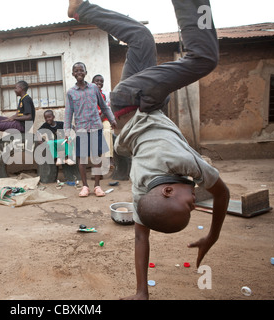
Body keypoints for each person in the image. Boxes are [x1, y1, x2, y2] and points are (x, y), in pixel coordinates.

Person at [67, 0, 230, 300]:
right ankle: (81, 9)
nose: (195, 203)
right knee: (141, 37)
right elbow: (141, 236)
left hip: (139, 101)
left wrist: (213, 234)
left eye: (188, 206)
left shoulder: (184, 163)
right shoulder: (142, 190)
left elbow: (223, 194)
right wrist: (141, 293)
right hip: (135, 104)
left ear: (168, 192)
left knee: (204, 59)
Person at [64, 61, 117, 197]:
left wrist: (112, 119)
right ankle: (85, 187)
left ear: (86, 73)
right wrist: (67, 131)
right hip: (81, 128)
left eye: (81, 70)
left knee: (96, 158)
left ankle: (97, 186)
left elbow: (104, 106)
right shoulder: (71, 93)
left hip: (95, 126)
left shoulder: (94, 88)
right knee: (82, 159)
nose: (79, 73)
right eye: (76, 71)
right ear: (73, 74)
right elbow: (68, 114)